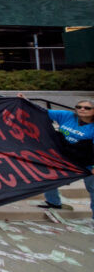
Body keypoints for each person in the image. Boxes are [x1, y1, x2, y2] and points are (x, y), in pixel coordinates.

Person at [19, 94, 94, 225]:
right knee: (49, 177)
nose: (82, 109)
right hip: (65, 157)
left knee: (92, 188)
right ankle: (53, 202)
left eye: (87, 108)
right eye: (79, 107)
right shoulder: (66, 116)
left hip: (86, 161)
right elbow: (41, 111)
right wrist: (26, 101)